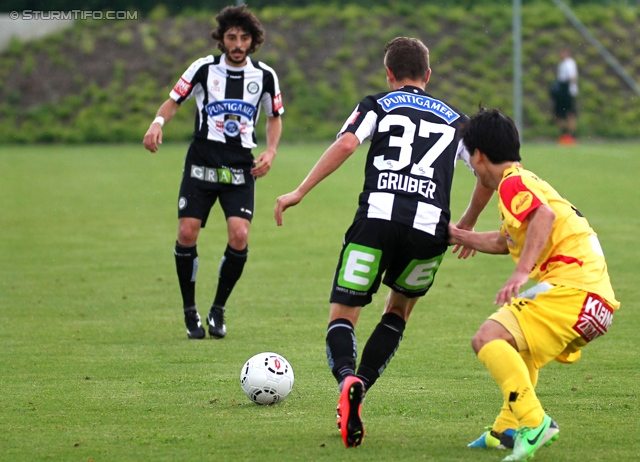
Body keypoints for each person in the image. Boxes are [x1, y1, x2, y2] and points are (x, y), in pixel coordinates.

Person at [274, 37, 493, 448]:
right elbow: (485, 172)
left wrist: (300, 191)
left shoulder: (378, 103)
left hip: (376, 218)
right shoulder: (458, 121)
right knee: (398, 311)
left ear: (389, 74)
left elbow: (346, 143)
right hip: (431, 229)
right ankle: (361, 389)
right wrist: (466, 222)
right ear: (428, 75)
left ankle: (347, 378)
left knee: (344, 313)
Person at [449, 108, 620, 462]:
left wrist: (520, 273)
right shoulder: (525, 182)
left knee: (487, 338)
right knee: (519, 348)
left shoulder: (514, 183)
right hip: (594, 303)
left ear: (479, 156)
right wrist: (456, 234)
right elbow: (504, 242)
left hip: (573, 291)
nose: (471, 168)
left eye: (469, 159)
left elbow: (545, 217)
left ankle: (535, 422)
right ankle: (505, 431)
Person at [143, 5, 284, 339]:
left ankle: (218, 310)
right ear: (221, 39)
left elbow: (274, 115)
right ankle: (190, 311)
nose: (237, 43)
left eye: (244, 38)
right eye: (231, 37)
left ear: (253, 42)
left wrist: (271, 150)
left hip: (239, 163)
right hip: (203, 159)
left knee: (239, 235)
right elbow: (174, 100)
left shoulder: (265, 75)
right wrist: (157, 122)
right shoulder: (203, 68)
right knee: (187, 233)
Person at [552, 48, 578, 145]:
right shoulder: (562, 64)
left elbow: (572, 77)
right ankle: (563, 134)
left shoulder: (569, 63)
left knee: (569, 113)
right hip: (562, 92)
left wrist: (562, 86)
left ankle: (572, 135)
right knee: (559, 113)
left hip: (567, 92)